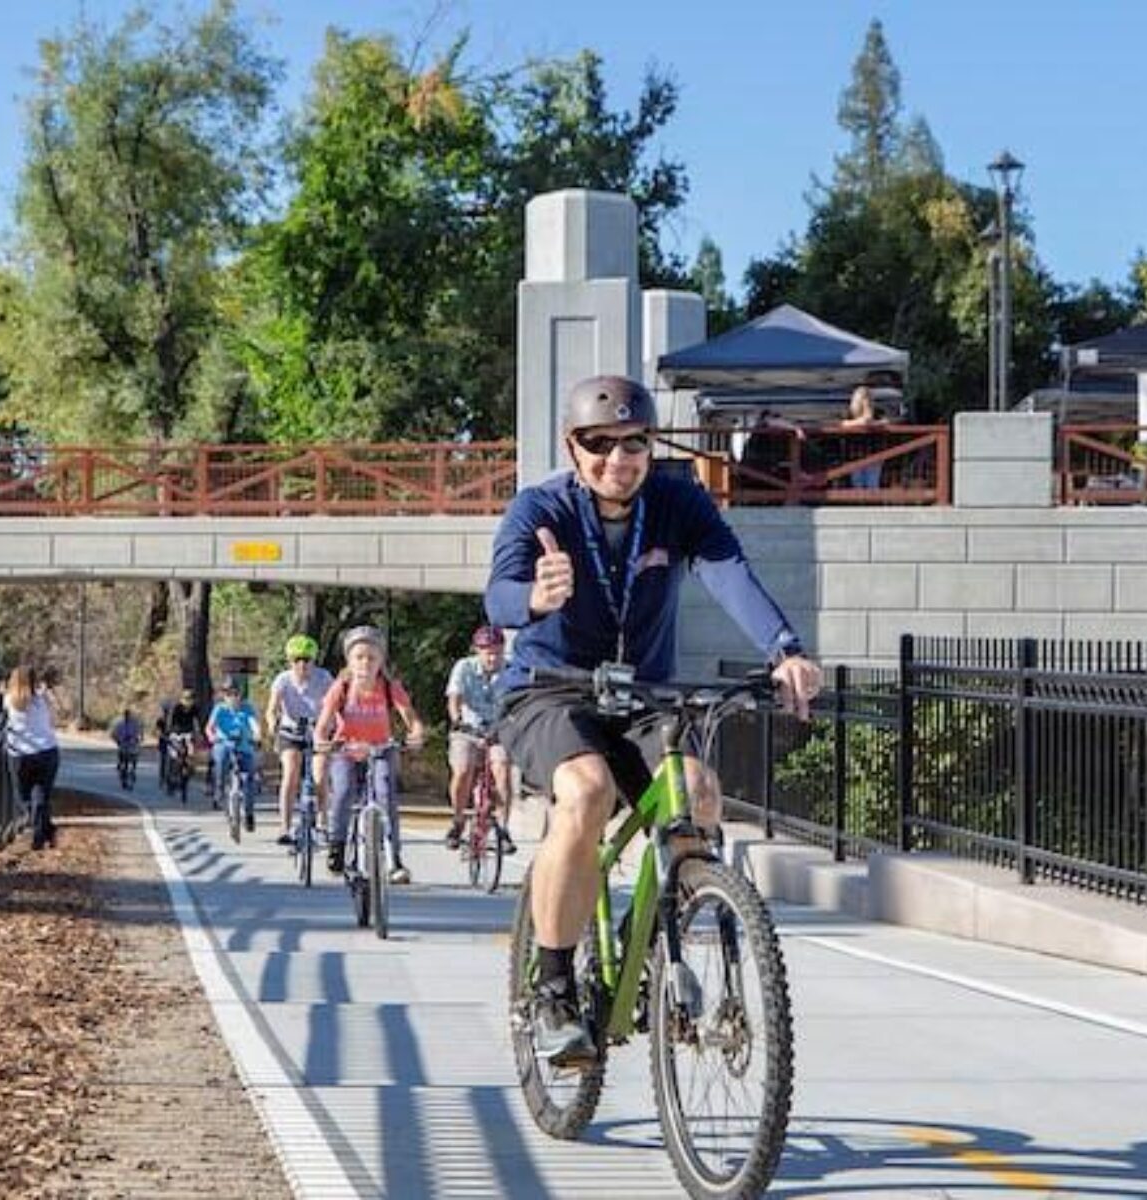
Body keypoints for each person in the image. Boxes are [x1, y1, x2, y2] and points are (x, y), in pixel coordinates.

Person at [485, 374, 820, 1068]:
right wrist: (535, 600)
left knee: (697, 795)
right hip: (549, 690)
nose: (617, 458)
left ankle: (665, 944)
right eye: (599, 444)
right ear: (572, 448)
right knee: (584, 792)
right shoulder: (539, 509)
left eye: (633, 442)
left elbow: (729, 571)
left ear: (651, 445)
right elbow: (498, 597)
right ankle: (550, 988)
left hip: (641, 696)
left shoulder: (677, 501)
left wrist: (784, 649)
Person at [314, 626, 426, 885]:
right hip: (346, 750)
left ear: (380, 661)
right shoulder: (340, 687)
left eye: (371, 657)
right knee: (342, 792)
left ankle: (394, 858)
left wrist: (416, 735)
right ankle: (337, 846)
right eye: (359, 657)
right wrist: (322, 740)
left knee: (386, 794)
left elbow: (411, 719)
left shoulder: (389, 687)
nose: (365, 663)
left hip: (380, 749)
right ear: (349, 661)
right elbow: (323, 724)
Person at [444, 625, 515, 856]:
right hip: (469, 729)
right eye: (486, 651)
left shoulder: (512, 670)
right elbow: (454, 698)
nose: (492, 657)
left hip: (499, 729)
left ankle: (503, 828)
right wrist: (457, 720)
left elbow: (519, 701)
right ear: (477, 650)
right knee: (463, 769)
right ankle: (457, 821)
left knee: (502, 769)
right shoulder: (464, 667)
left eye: (496, 651)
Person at [264, 634, 335, 847]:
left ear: (314, 661)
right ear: (290, 661)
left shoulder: (324, 678)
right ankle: (284, 827)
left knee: (320, 776)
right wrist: (271, 723)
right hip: (291, 732)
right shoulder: (283, 680)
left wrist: (332, 725)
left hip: (318, 731)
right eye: (297, 660)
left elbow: (334, 705)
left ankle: (323, 823)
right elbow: (272, 708)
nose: (302, 665)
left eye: (307, 660)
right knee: (291, 774)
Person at [2, 665, 61, 850]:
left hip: (20, 755)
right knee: (41, 794)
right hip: (47, 751)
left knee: (23, 796)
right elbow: (55, 718)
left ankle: (41, 833)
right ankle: (46, 829)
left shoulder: (9, 700)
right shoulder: (42, 698)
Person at [205, 680, 262, 826]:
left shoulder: (247, 708)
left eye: (235, 694)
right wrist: (212, 736)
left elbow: (253, 723)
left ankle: (249, 813)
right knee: (221, 758)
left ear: (240, 695)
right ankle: (219, 791)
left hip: (244, 747)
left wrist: (256, 734)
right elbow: (210, 727)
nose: (232, 697)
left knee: (250, 777)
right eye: (228, 694)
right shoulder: (220, 709)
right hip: (223, 744)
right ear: (224, 696)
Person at [841, 385, 884, 490]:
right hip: (855, 453)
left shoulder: (877, 412)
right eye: (863, 398)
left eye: (867, 398)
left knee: (872, 485)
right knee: (857, 485)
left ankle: (873, 505)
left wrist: (871, 422)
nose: (865, 401)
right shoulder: (849, 413)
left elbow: (886, 421)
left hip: (874, 453)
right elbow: (843, 423)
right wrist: (861, 422)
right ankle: (859, 505)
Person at [111, 706, 143, 778]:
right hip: (123, 744)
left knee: (134, 755)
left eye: (128, 715)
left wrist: (138, 739)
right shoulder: (120, 724)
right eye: (126, 715)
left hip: (132, 743)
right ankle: (121, 767)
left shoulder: (134, 723)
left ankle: (133, 769)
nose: (127, 716)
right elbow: (113, 734)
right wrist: (117, 740)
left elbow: (139, 732)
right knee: (122, 756)